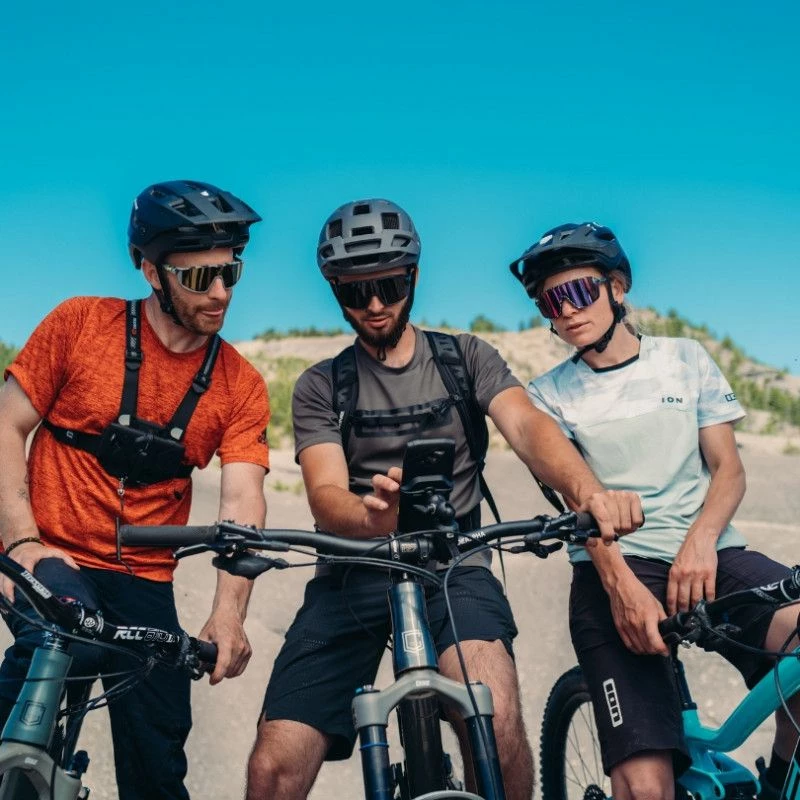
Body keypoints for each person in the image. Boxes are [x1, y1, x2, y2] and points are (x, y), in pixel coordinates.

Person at [246, 199, 643, 800]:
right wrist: (372, 516)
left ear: (413, 277)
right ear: (334, 291)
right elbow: (325, 494)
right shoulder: (321, 384)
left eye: (388, 285)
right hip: (352, 574)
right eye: (355, 291)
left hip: (454, 567)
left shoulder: (465, 359)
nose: (374, 304)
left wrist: (589, 493)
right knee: (273, 769)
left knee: (495, 723)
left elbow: (528, 427)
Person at [0, 180, 270, 799]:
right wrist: (20, 544)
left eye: (230, 272)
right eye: (200, 277)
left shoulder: (241, 384)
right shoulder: (78, 324)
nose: (222, 293)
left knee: (158, 744)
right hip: (50, 553)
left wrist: (229, 613)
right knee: (60, 648)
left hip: (144, 578)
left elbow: (242, 501)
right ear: (151, 271)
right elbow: (6, 425)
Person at [511, 221, 799, 800]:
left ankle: (777, 783)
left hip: (710, 552)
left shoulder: (685, 359)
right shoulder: (547, 395)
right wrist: (621, 587)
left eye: (578, 291)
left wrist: (701, 542)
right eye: (550, 302)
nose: (566, 311)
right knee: (646, 787)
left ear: (617, 288)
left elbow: (729, 470)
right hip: (616, 566)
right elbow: (579, 508)